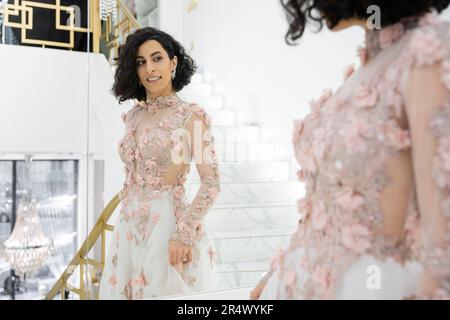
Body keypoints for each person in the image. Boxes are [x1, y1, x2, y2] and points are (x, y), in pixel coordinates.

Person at [251, 0, 450, 299]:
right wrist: (277, 273)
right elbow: (328, 203)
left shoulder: (428, 51)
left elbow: (444, 229)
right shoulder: (369, 68)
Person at [99, 27, 220, 299]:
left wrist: (184, 232)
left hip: (167, 226)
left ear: (173, 62)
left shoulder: (192, 117)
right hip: (129, 227)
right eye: (141, 62)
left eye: (157, 58)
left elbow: (211, 183)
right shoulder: (133, 117)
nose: (149, 69)